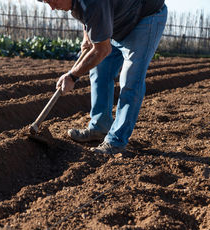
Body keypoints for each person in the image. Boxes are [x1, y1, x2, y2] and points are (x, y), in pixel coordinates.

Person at [38, 0, 167, 154]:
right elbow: (88, 13)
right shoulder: (78, 3)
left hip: (145, 19)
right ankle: (100, 126)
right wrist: (87, 34)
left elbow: (102, 49)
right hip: (117, 21)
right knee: (100, 70)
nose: (52, 7)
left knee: (131, 79)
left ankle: (116, 142)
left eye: (52, 0)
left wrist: (72, 76)